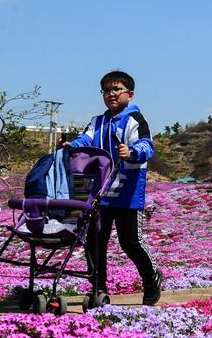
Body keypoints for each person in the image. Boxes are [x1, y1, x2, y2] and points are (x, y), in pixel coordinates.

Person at [64, 70, 162, 305]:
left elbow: (147, 146)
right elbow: (85, 138)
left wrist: (132, 152)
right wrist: (72, 146)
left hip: (128, 193)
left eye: (116, 89)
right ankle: (99, 288)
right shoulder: (97, 121)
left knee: (131, 242)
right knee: (95, 241)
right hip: (98, 192)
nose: (111, 94)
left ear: (130, 94)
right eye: (106, 90)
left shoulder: (135, 120)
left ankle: (151, 279)